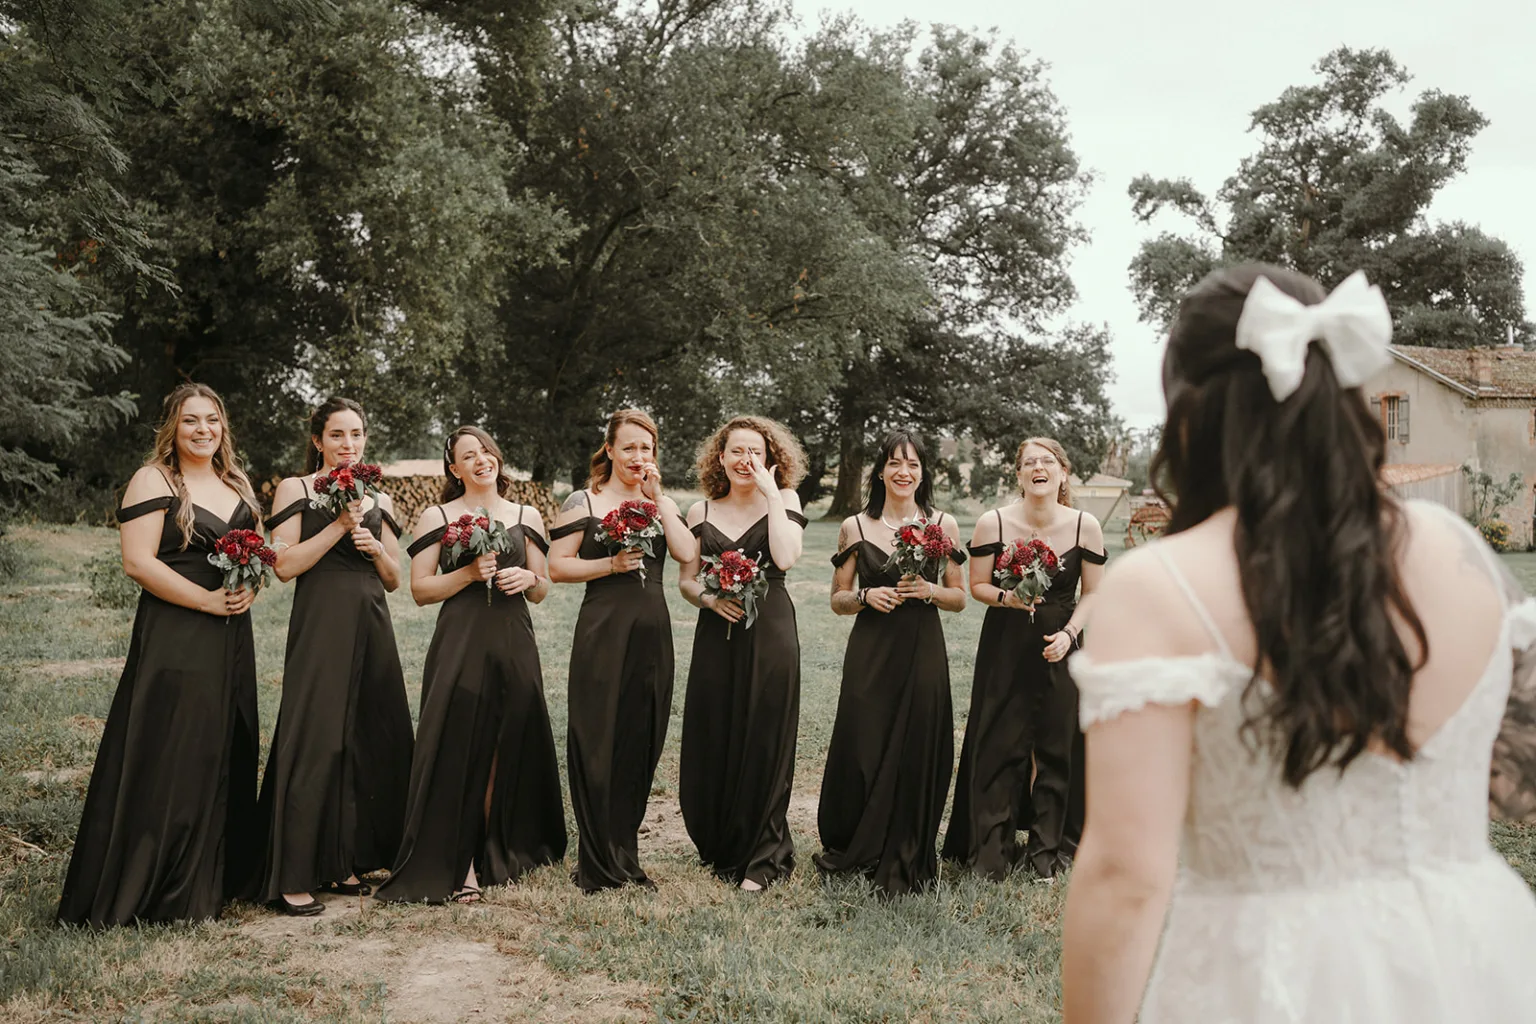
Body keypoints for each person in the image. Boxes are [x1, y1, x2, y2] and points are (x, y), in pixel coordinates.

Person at [1061, 264, 1536, 1022]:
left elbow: (1126, 876)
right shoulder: (1458, 552)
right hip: (1479, 960)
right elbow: (1522, 778)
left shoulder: (1159, 588)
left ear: (1190, 411)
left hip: (1268, 976)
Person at [58, 384, 265, 926]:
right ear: (171, 426)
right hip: (178, 628)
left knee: (224, 742)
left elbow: (256, 555)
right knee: (174, 744)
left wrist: (248, 590)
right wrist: (206, 601)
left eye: (213, 420)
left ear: (224, 427)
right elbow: (138, 563)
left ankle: (212, 878)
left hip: (231, 633)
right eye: (191, 420)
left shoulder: (234, 481)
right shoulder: (155, 480)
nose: (203, 430)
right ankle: (160, 885)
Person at [374, 427, 566, 904]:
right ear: (454, 469)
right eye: (468, 455)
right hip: (461, 639)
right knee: (461, 739)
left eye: (486, 451)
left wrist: (528, 577)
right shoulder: (436, 515)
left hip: (513, 638)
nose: (481, 460)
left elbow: (543, 589)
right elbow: (420, 590)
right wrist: (464, 574)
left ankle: (494, 849)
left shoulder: (526, 514)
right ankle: (461, 863)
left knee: (508, 738)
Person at [256, 397, 414, 915]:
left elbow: (394, 580)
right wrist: (339, 528)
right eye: (338, 435)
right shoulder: (295, 489)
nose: (349, 445)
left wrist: (375, 549)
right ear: (318, 440)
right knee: (316, 733)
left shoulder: (381, 499)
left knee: (369, 734)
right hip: (321, 619)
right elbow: (283, 565)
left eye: (357, 435)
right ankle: (293, 873)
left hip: (371, 618)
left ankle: (346, 859)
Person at [549, 409, 697, 892]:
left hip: (652, 634)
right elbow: (557, 567)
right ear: (609, 449)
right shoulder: (584, 500)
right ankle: (595, 859)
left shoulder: (660, 501)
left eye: (647, 448)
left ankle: (625, 850)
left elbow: (686, 554)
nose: (638, 456)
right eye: (629, 447)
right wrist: (609, 566)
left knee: (640, 738)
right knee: (597, 738)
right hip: (602, 631)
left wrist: (660, 500)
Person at [944, 438, 1105, 881]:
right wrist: (1007, 598)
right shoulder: (991, 523)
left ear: (1062, 473)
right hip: (1005, 644)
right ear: (1018, 476)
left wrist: (1071, 635)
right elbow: (977, 585)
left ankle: (1047, 852)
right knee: (999, 743)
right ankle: (991, 853)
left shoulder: (1083, 526)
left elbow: (1092, 592)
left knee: (1058, 746)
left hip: (1062, 643)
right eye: (1028, 462)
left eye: (1047, 461)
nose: (1038, 467)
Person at [815, 429, 967, 895]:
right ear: (880, 470)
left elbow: (959, 597)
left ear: (923, 472)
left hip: (922, 647)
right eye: (895, 463)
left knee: (918, 743)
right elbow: (837, 599)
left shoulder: (943, 524)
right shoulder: (855, 527)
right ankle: (861, 840)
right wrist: (865, 594)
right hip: (871, 651)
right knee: (863, 743)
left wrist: (930, 590)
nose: (904, 472)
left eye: (914, 464)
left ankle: (909, 842)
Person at [678, 416, 809, 890]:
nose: (745, 460)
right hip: (717, 633)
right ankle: (720, 839)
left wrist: (773, 494)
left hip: (771, 629)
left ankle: (764, 853)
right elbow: (687, 581)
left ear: (771, 460)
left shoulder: (786, 500)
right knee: (717, 730)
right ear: (721, 457)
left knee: (765, 734)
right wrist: (710, 600)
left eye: (755, 452)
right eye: (736, 451)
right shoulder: (701, 511)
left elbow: (787, 556)